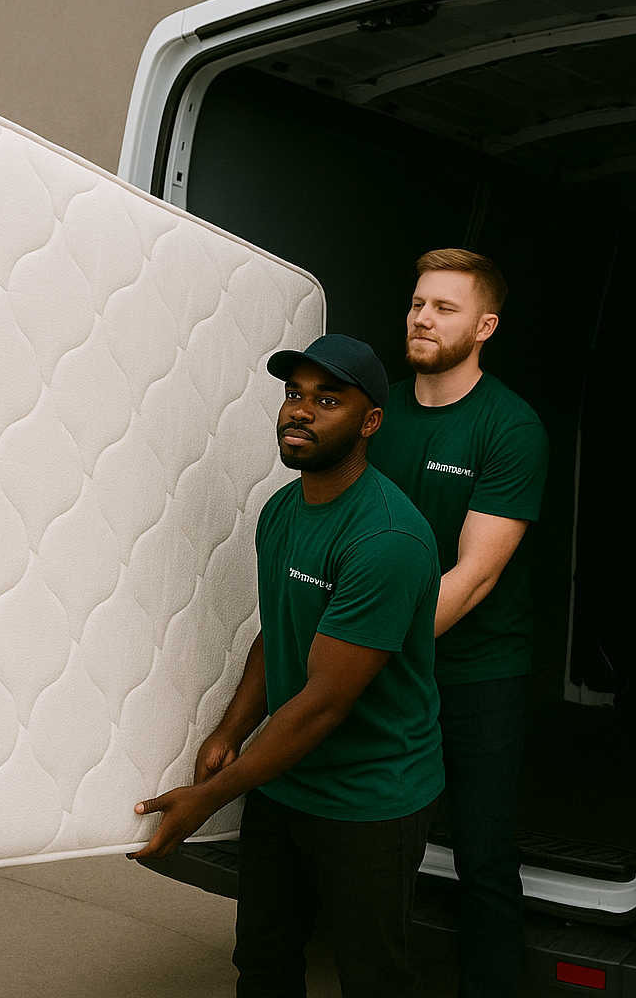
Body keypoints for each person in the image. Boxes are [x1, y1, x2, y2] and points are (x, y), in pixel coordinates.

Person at [130, 334, 444, 998]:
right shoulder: (281, 511)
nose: (299, 411)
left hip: (370, 798)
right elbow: (278, 639)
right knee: (264, 961)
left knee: (372, 977)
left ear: (370, 422)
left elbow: (325, 702)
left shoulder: (387, 539)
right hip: (285, 785)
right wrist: (227, 732)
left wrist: (209, 798)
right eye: (293, 394)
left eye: (327, 399)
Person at [366, 249, 548, 998]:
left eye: (443, 307)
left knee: (483, 860)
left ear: (484, 326)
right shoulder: (375, 413)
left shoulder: (510, 427)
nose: (422, 317)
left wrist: (364, 652)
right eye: (417, 303)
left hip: (478, 674)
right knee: (373, 852)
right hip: (388, 664)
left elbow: (473, 578)